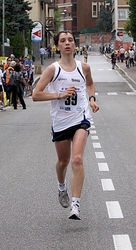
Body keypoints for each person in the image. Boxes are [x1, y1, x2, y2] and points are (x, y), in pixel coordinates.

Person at [32, 30, 100, 220]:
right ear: (58, 46)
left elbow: (90, 84)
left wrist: (92, 99)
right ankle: (61, 187)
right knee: (63, 162)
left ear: (75, 45)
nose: (67, 43)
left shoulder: (83, 68)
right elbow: (36, 94)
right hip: (60, 121)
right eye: (63, 40)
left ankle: (75, 204)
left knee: (77, 159)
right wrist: (59, 95)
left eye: (70, 40)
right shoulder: (53, 70)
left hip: (80, 118)